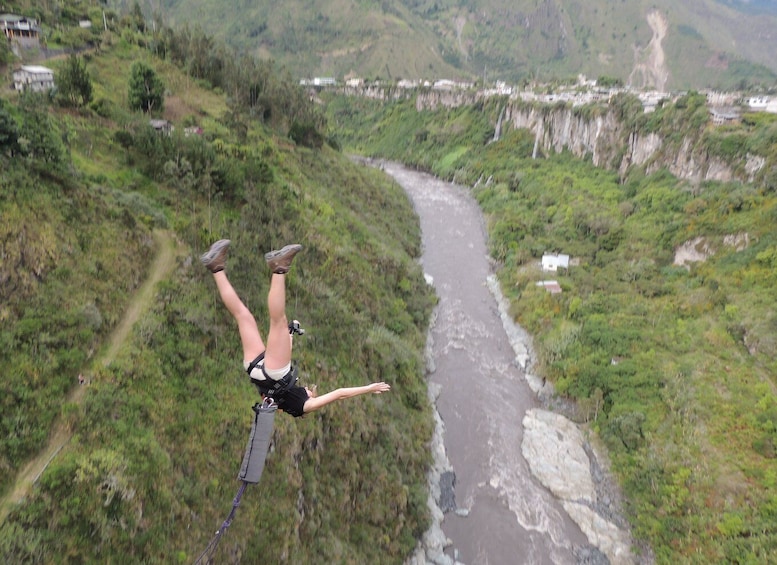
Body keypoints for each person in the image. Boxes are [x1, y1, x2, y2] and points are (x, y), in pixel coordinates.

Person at [200, 239, 390, 417]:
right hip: (255, 370)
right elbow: (280, 354)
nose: (308, 390)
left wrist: (369, 388)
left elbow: (339, 394)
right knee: (243, 316)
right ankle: (216, 267)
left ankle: (279, 268)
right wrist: (289, 334)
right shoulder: (283, 402)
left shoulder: (304, 405)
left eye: (310, 392)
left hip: (273, 373)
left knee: (278, 320)